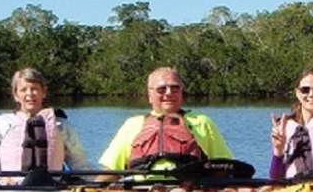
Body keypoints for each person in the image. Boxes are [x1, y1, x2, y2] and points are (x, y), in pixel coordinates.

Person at [97, 67, 235, 172]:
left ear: (182, 92)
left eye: (175, 88)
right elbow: (111, 170)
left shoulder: (202, 122)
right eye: (161, 89)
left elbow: (223, 165)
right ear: (150, 95)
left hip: (188, 190)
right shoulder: (133, 124)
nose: (169, 93)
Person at [0, 67, 89, 184]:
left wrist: (97, 183)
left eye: (34, 89)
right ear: (16, 95)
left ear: (43, 92)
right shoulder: (2, 123)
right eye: (23, 90)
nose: (29, 94)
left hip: (50, 186)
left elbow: (79, 165)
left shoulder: (60, 125)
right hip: (11, 188)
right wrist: (1, 180)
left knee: (37, 177)